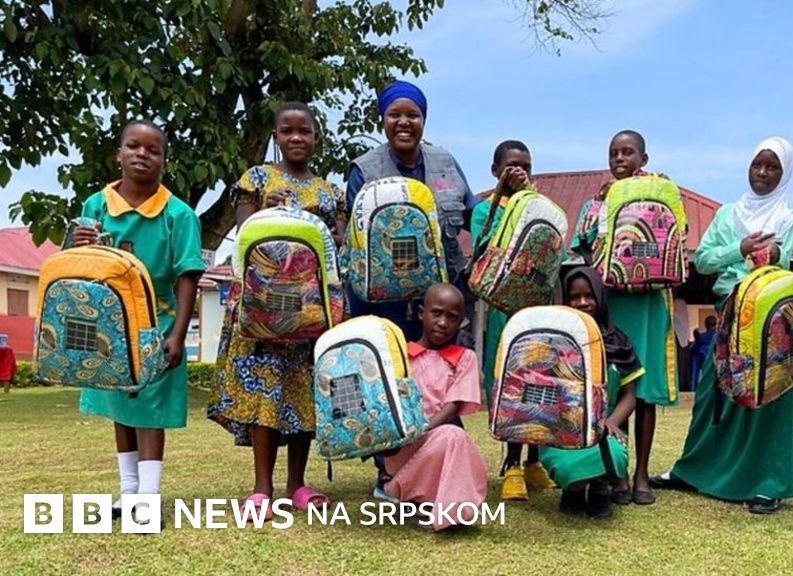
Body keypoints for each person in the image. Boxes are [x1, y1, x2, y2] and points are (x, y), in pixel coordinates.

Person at [651, 136, 793, 515]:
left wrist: (770, 254)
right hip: (727, 313)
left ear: (784, 174)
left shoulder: (786, 219)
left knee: (767, 395)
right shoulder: (727, 215)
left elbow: (782, 261)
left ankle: (768, 484)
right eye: (757, 165)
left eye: (772, 167)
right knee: (711, 394)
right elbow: (703, 261)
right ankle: (693, 470)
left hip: (768, 320)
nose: (762, 173)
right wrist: (741, 249)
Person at [208, 102, 345, 515]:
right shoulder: (256, 180)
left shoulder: (330, 192)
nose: (296, 137)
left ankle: (297, 484)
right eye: (288, 130)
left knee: (304, 392)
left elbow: (338, 246)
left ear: (316, 138)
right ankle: (262, 488)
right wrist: (268, 207)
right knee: (264, 394)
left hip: (311, 311)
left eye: (304, 130)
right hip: (261, 310)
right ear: (276, 137)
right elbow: (244, 233)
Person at [74, 119, 205, 521]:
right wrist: (80, 246)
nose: (142, 154)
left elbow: (187, 277)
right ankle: (127, 490)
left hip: (157, 322)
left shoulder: (178, 215)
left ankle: (147, 496)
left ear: (164, 160)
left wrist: (178, 334)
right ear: (119, 153)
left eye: (153, 150)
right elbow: (77, 266)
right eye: (133, 146)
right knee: (121, 407)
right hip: (109, 326)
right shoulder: (96, 206)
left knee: (149, 407)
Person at [571, 130, 678, 505]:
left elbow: (676, 238)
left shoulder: (662, 192)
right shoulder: (595, 203)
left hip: (648, 303)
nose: (620, 159)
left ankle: (642, 474)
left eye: (628, 152)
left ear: (643, 159)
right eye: (614, 153)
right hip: (611, 303)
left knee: (644, 389)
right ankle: (616, 472)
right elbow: (583, 250)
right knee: (613, 384)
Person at [345, 80, 478, 339]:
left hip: (442, 311)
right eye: (394, 115)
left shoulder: (445, 162)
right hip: (382, 313)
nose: (404, 122)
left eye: (413, 115)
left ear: (423, 120)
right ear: (383, 120)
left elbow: (473, 217)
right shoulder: (363, 171)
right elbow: (355, 245)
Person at [469, 140, 557, 500]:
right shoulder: (484, 210)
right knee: (511, 383)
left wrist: (528, 197)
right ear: (495, 171)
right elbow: (486, 249)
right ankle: (511, 465)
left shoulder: (540, 206)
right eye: (512, 166)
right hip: (503, 310)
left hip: (536, 309)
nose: (520, 171)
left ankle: (534, 461)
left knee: (539, 380)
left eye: (526, 166)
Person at [380, 283, 488, 531]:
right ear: (421, 313)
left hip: (435, 441)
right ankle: (407, 492)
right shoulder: (401, 356)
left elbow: (452, 407)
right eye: (436, 313)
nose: (443, 322)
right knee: (453, 437)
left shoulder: (464, 358)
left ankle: (440, 509)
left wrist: (421, 431)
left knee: (453, 436)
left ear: (461, 323)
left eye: (452, 317)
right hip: (402, 448)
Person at [539, 267, 643, 520]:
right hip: (563, 430)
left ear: (600, 298)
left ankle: (600, 486)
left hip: (604, 431)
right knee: (567, 466)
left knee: (612, 455)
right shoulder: (553, 343)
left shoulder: (619, 342)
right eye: (574, 297)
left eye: (589, 296)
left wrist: (611, 422)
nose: (583, 302)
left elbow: (630, 394)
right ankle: (573, 489)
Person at [690, 316, 717, 389]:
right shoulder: (718, 336)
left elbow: (693, 346)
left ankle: (693, 387)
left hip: (700, 356)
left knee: (694, 369)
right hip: (712, 359)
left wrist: (695, 333)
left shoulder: (702, 337)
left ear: (706, 325)